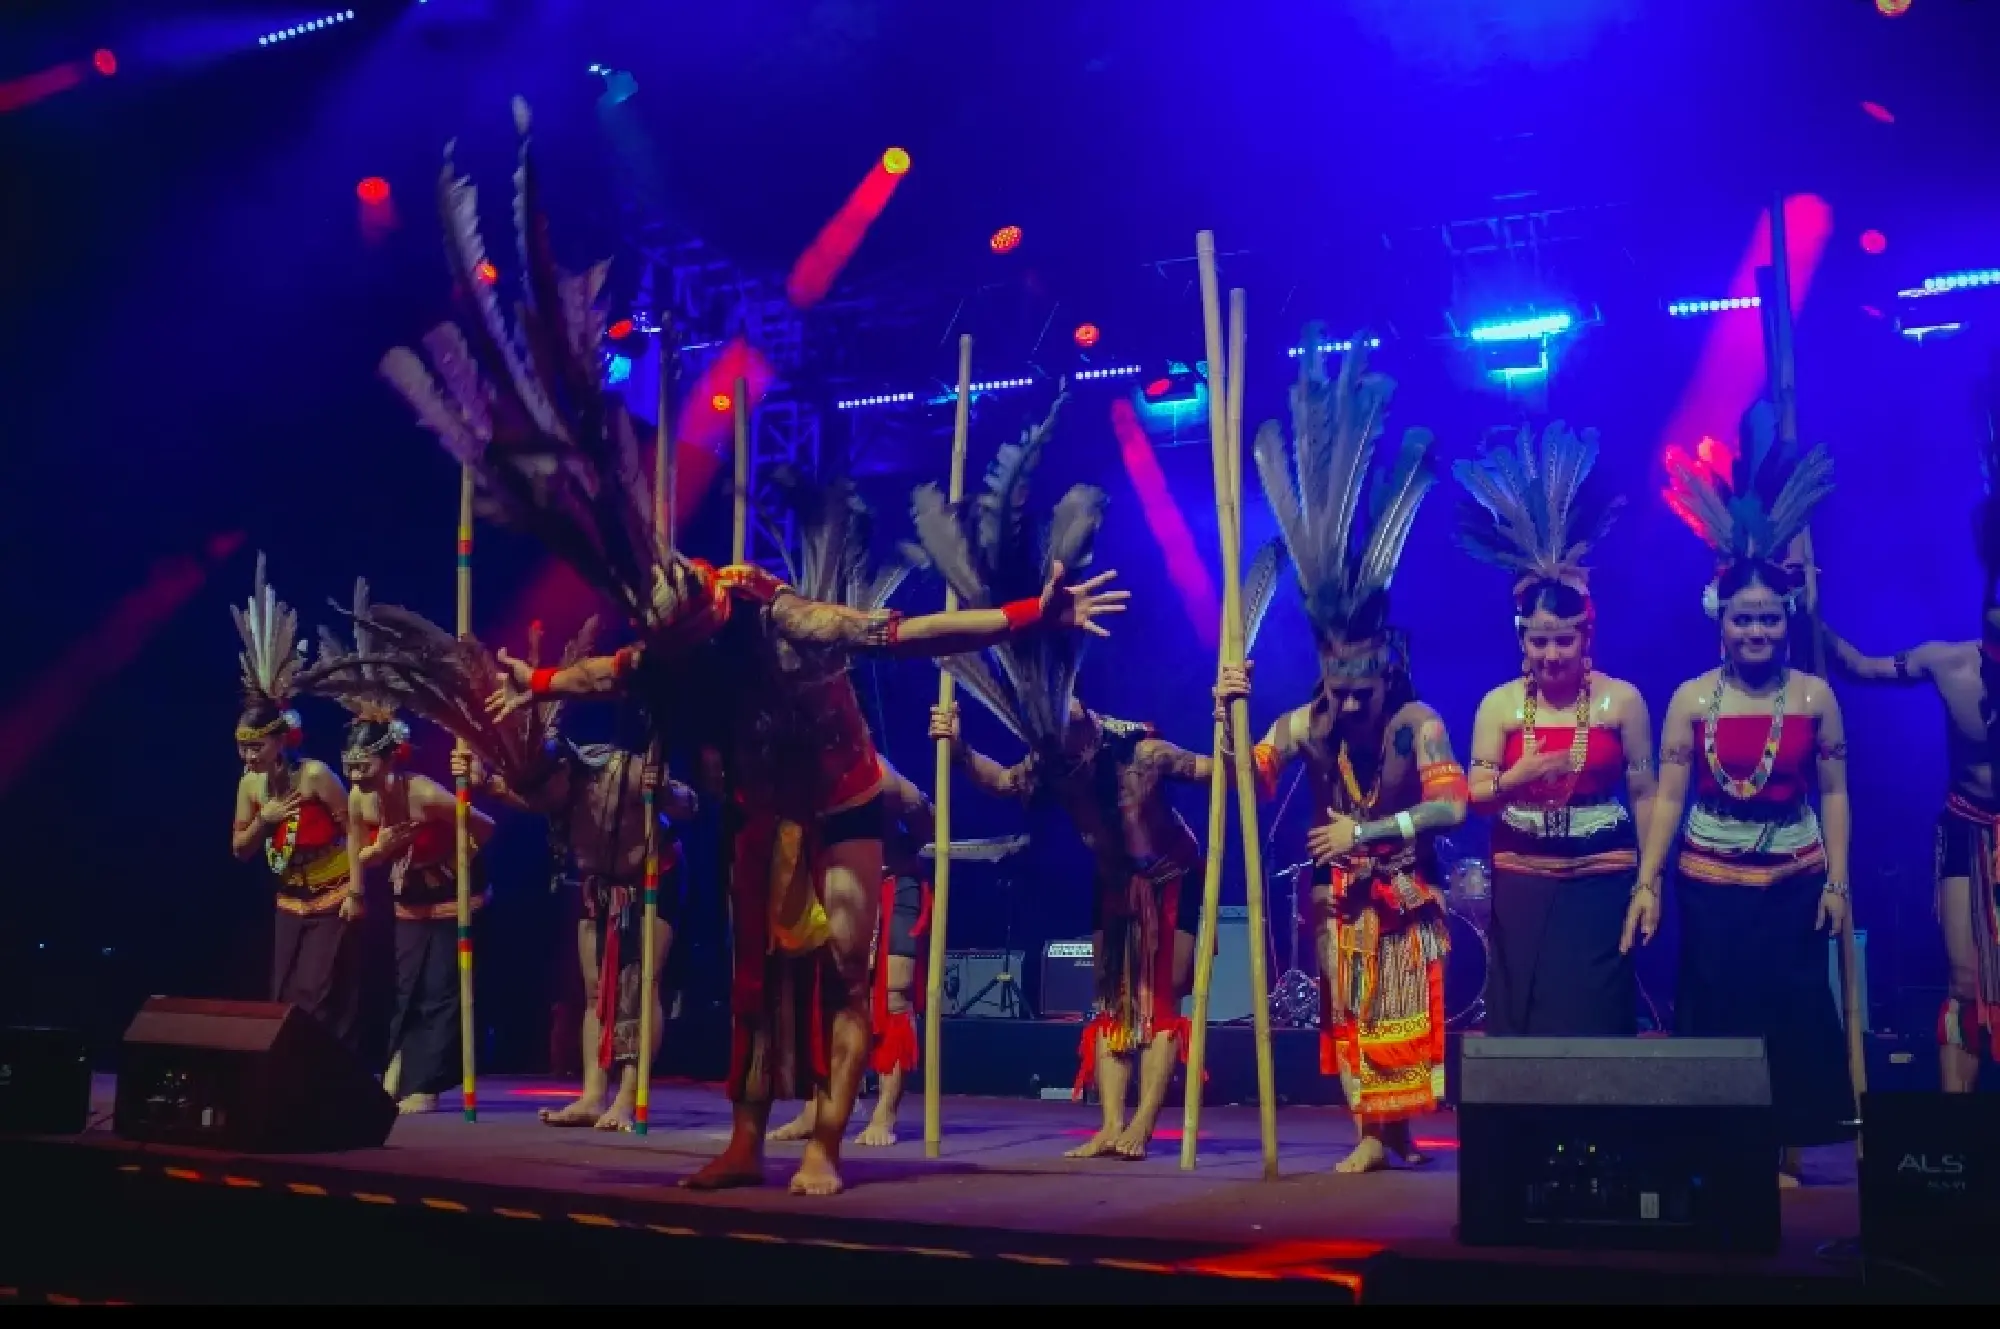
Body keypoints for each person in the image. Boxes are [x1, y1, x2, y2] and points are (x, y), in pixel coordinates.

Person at [379, 102, 1129, 1197]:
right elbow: (601, 676)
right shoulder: (666, 659)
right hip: (761, 809)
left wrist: (1030, 617)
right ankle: (745, 1138)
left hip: (845, 795)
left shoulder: (778, 617)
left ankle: (823, 1140)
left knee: (839, 951)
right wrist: (531, 679)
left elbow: (912, 633)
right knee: (748, 978)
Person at [304, 603, 699, 1131]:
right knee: (595, 992)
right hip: (597, 884)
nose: (541, 802)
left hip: (652, 875)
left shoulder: (617, 771)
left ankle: (629, 1097)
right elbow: (491, 795)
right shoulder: (541, 789)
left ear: (565, 768)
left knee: (639, 984)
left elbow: (690, 805)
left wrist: (668, 792)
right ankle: (591, 1093)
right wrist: (470, 773)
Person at [1226, 334, 1467, 1174]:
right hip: (1342, 903)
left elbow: (1453, 802)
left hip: (1400, 888)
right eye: (1340, 688)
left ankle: (1390, 1133)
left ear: (1386, 670)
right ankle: (1372, 1131)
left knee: (1398, 1009)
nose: (1351, 703)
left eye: (1363, 690)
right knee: (1356, 1013)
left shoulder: (1416, 721)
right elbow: (1250, 769)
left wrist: (1367, 835)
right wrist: (1230, 725)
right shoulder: (1311, 719)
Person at [1647, 404, 1851, 1186]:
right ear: (1720, 621)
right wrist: (1648, 881)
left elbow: (1834, 791)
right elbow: (1668, 795)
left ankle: (1788, 1144)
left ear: (1786, 617)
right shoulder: (1692, 698)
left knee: (1789, 1011)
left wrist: (1837, 878)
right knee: (1719, 1009)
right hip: (1710, 881)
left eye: (1768, 617)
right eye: (1743, 619)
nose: (1757, 631)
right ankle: (1727, 1144)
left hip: (1795, 878)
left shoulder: (1812, 698)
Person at [932, 694, 1233, 1160]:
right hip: (1114, 882)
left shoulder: (1143, 755)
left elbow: (1221, 772)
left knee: (1163, 997)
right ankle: (1111, 1124)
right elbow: (1003, 782)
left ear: (1091, 731)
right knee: (1111, 1001)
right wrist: (959, 747)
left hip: (1173, 877)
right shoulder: (1052, 764)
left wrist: (1227, 723)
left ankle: (1144, 1121)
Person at [1453, 423, 1658, 1037]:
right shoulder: (1498, 706)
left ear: (1586, 636)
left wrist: (1650, 883)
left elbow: (1648, 797)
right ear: (1522, 640)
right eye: (1537, 640)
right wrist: (1518, 778)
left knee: (1595, 1015)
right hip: (1523, 882)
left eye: (1563, 640)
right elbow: (1471, 796)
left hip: (1603, 879)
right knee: (1526, 1016)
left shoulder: (1623, 703)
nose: (1550, 654)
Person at [227, 554, 362, 1052]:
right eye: (241, 747)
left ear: (280, 741)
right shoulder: (250, 787)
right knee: (282, 994)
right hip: (288, 896)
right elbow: (239, 850)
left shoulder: (315, 776)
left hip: (332, 894)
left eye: (255, 746)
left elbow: (355, 828)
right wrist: (264, 820)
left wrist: (358, 891)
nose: (248, 755)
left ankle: (320, 1076)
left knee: (317, 992)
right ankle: (285, 1074)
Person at [769, 756, 936, 1148]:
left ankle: (884, 1113)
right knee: (825, 998)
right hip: (836, 887)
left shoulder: (875, 769)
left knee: (894, 997)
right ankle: (815, 1108)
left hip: (896, 885)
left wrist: (913, 807)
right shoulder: (802, 770)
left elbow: (924, 818)